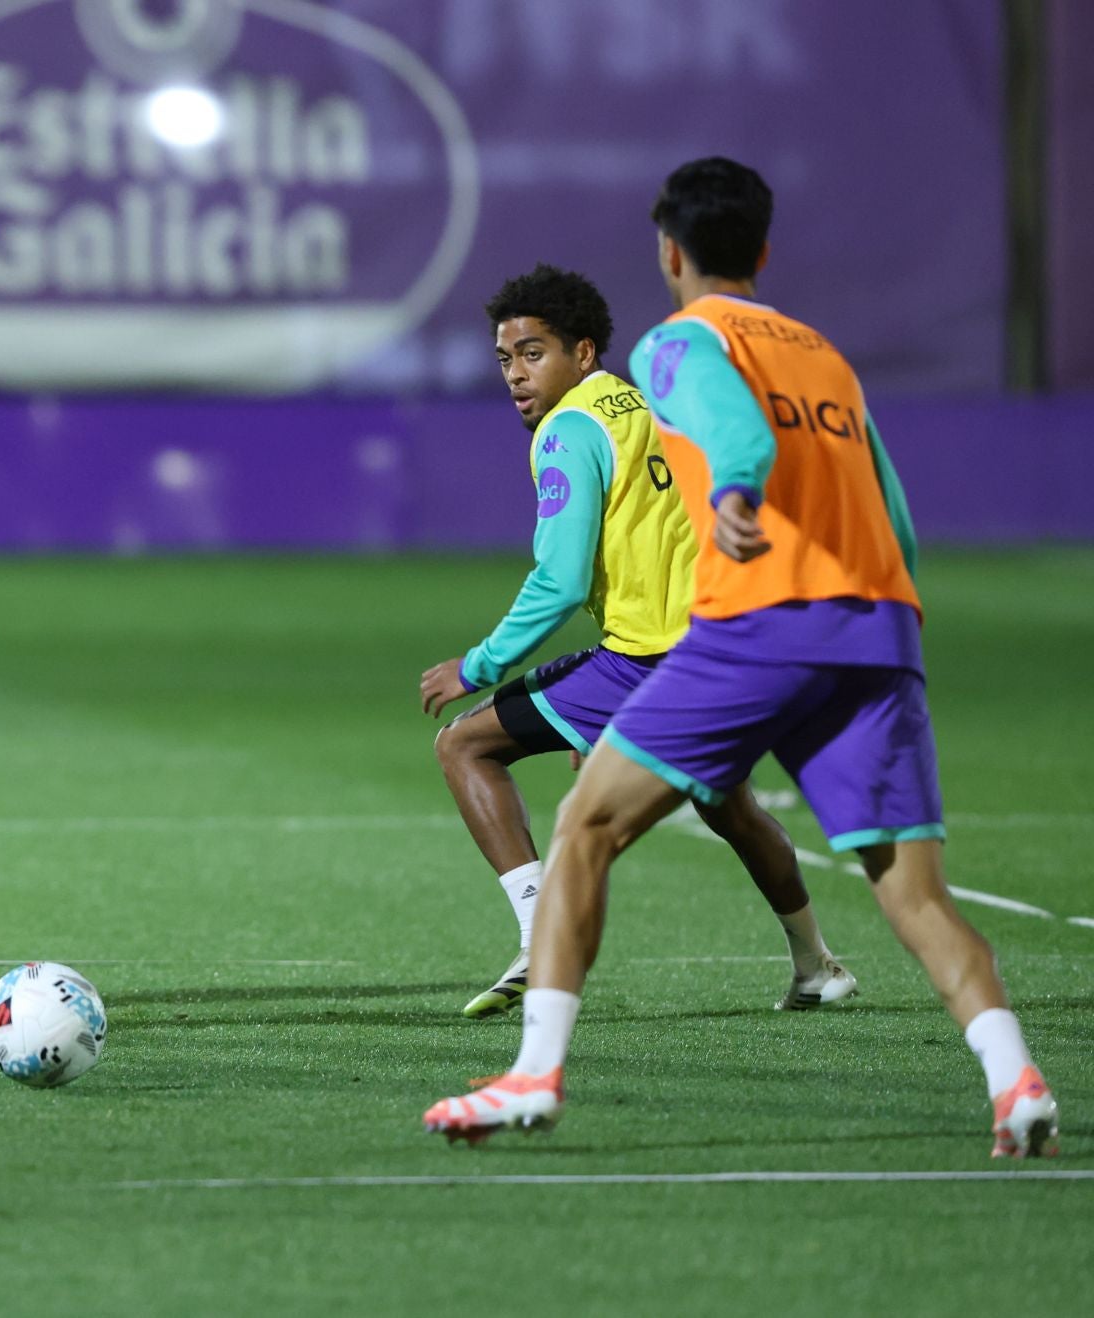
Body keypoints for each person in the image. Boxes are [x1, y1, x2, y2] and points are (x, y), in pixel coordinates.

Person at [424, 158, 1058, 1157]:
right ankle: (1013, 1077)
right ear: (761, 248)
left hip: (762, 625)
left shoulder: (680, 345)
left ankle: (534, 1078)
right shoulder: (822, 353)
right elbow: (889, 500)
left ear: (670, 251)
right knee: (910, 887)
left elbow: (733, 437)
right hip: (880, 630)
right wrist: (900, 615)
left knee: (586, 824)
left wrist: (735, 494)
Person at [424, 264, 852, 1019]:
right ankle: (816, 963)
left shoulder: (568, 432)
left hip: (645, 660)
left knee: (465, 745)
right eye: (505, 359)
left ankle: (539, 940)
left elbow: (557, 582)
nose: (516, 376)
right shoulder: (649, 404)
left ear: (582, 353)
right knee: (730, 807)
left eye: (533, 353)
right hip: (724, 648)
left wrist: (477, 664)